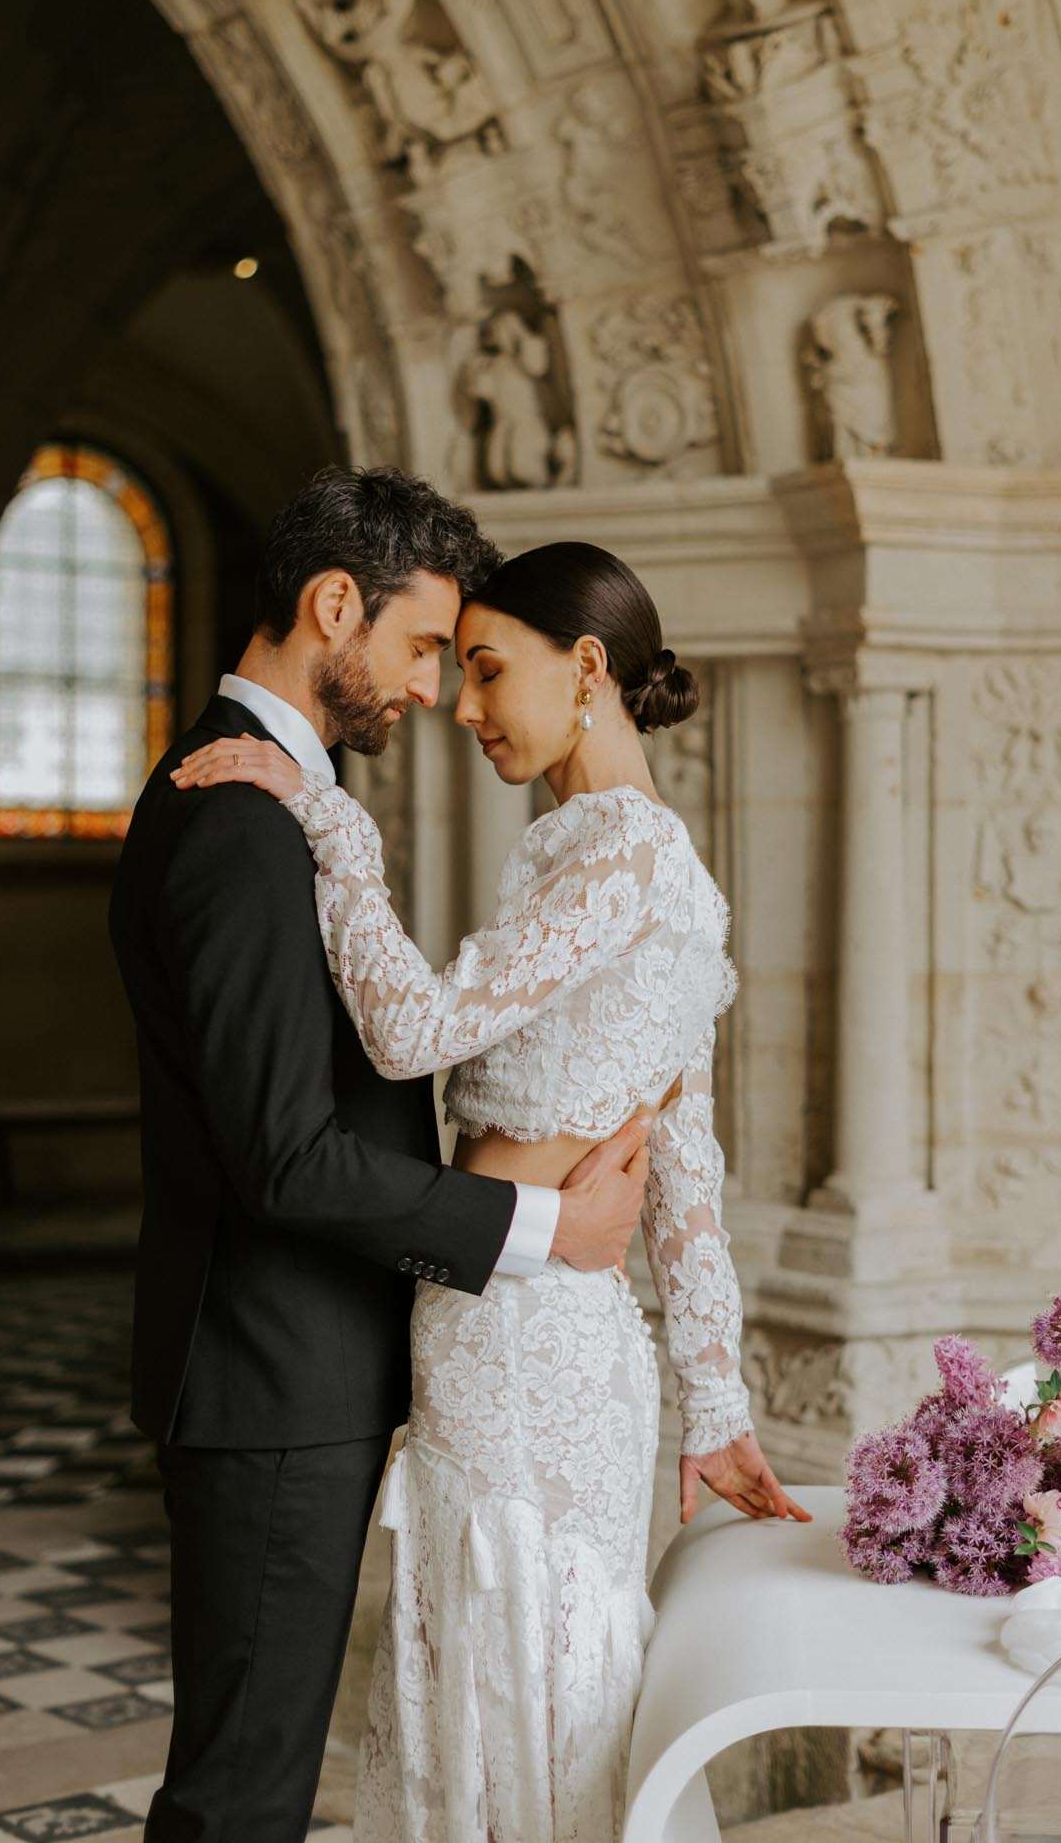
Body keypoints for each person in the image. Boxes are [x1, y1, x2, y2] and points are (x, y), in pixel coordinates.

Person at [173, 534, 812, 1841]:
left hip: (525, 1340)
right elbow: (684, 1168)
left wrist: (323, 817)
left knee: (518, 1687)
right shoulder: (656, 868)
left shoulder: (621, 860)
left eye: (484, 670)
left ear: (584, 668)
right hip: (547, 1332)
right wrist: (715, 1402)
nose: (460, 710)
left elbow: (412, 1034)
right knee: (527, 1682)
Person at [109, 471, 655, 1843]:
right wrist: (542, 1231)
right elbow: (284, 1160)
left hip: (303, 1368)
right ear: (330, 604)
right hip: (266, 1376)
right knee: (240, 1794)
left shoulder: (282, 798)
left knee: (259, 1775)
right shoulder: (239, 820)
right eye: (422, 647)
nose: (430, 689)